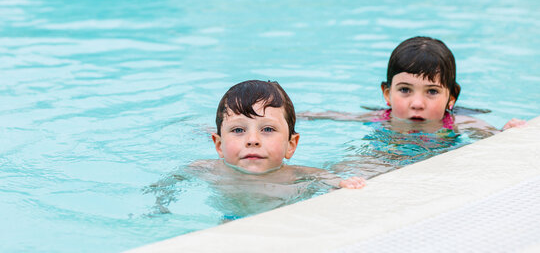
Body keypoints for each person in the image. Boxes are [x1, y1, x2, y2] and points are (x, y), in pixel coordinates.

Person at [145, 80, 365, 219]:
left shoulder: (295, 175)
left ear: (291, 145)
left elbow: (326, 177)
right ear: (219, 145)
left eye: (267, 129)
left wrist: (341, 183)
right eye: (238, 130)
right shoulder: (207, 170)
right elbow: (171, 180)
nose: (252, 140)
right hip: (227, 223)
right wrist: (160, 205)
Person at [299, 36, 526, 135]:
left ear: (452, 97)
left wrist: (506, 131)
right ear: (387, 94)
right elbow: (337, 116)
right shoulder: (382, 118)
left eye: (432, 92)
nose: (417, 103)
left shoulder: (459, 122)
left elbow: (492, 136)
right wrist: (301, 116)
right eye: (405, 90)